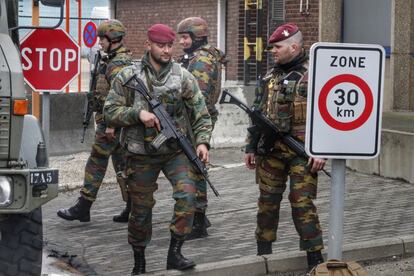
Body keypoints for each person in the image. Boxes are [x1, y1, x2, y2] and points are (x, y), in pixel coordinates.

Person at [103, 24, 212, 274]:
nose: (165, 50)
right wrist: (137, 114)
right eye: (160, 45)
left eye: (169, 46)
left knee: (187, 196)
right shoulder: (128, 76)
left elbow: (200, 113)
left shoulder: (182, 75)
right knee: (140, 210)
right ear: (148, 45)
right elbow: (110, 111)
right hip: (140, 154)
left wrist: (203, 142)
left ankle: (175, 252)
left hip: (175, 151)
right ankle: (139, 261)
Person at [244, 23, 326, 271]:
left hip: (303, 153)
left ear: (294, 46)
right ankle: (264, 254)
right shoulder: (269, 77)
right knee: (267, 204)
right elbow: (257, 114)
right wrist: (250, 147)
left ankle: (315, 258)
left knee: (302, 203)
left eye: (277, 47)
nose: (273, 51)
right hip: (271, 152)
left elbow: (326, 116)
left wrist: (321, 149)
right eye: (272, 48)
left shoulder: (316, 75)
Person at [57, 19, 133, 223]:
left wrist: (111, 125)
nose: (99, 41)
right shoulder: (112, 59)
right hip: (112, 123)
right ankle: (133, 207)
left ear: (113, 39)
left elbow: (122, 96)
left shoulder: (118, 64)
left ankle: (83, 206)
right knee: (123, 166)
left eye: (102, 38)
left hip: (112, 124)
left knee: (96, 162)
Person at [176, 17, 226, 240]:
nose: (182, 42)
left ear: (198, 37)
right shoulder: (195, 57)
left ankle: (198, 220)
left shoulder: (202, 60)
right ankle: (198, 216)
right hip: (192, 118)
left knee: (195, 166)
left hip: (195, 120)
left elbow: (200, 98)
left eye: (186, 37)